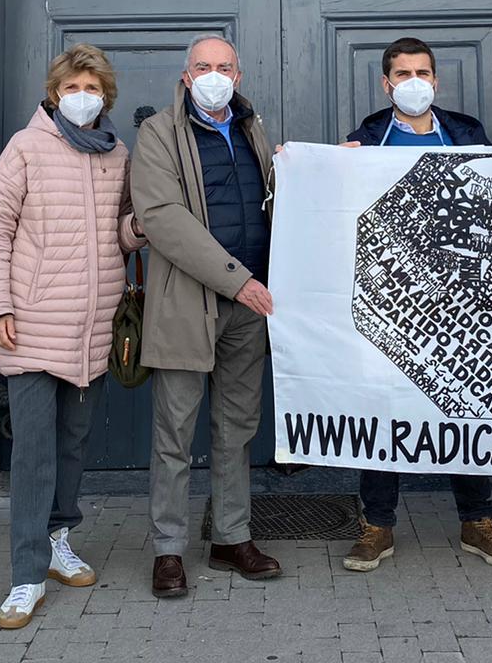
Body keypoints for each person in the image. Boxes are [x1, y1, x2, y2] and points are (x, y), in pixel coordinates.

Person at [0, 44, 146, 629]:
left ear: (106, 96)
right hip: (30, 326)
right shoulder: (26, 147)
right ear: (54, 92)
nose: (82, 96)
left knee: (73, 445)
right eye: (72, 85)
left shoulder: (116, 153)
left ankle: (58, 541)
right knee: (34, 453)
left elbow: (115, 233)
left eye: (92, 87)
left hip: (92, 330)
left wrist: (136, 228)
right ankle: (26, 575)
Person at [341, 36, 492, 574]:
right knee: (382, 411)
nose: (414, 82)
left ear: (436, 80)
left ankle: (478, 521)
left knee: (468, 407)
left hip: (466, 297)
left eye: (423, 72)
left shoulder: (466, 132)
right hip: (394, 296)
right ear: (386, 83)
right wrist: (316, 166)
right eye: (403, 74)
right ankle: (377, 525)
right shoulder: (367, 139)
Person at [131, 34, 281, 598]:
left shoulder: (251, 128)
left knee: (237, 430)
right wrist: (239, 281)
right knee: (174, 434)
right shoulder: (158, 133)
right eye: (203, 66)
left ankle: (230, 536)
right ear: (187, 75)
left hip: (248, 308)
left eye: (224, 66)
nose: (214, 74)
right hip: (186, 306)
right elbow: (163, 218)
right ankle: (168, 550)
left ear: (238, 75)